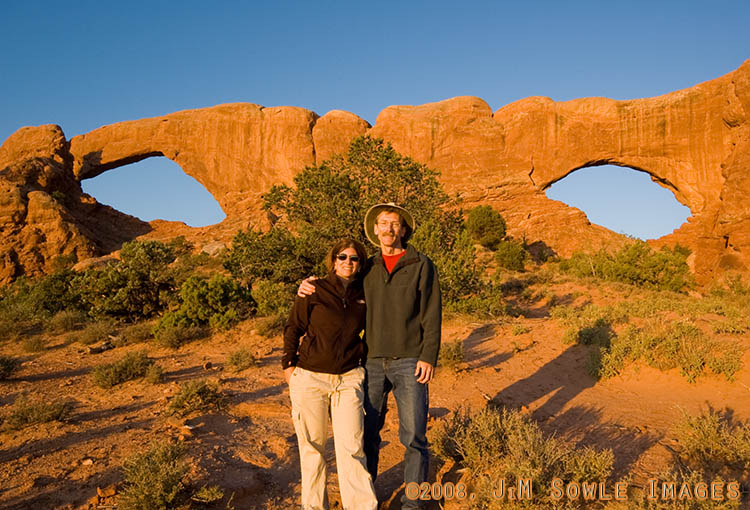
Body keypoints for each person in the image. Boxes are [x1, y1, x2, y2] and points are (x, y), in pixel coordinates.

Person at [299, 203, 442, 510]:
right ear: (375, 230)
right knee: (367, 435)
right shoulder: (367, 267)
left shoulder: (421, 264)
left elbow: (431, 313)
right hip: (371, 362)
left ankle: (413, 503)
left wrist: (428, 356)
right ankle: (365, 499)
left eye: (394, 224)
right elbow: (340, 289)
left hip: (410, 361)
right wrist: (308, 286)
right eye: (383, 223)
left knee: (414, 436)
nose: (389, 229)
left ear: (403, 230)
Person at [283, 238, 378, 510]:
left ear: (360, 264)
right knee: (312, 449)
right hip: (310, 378)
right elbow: (293, 327)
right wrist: (289, 366)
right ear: (333, 260)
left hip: (348, 378)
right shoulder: (314, 289)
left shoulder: (365, 294)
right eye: (342, 257)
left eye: (354, 258)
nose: (348, 262)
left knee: (352, 448)